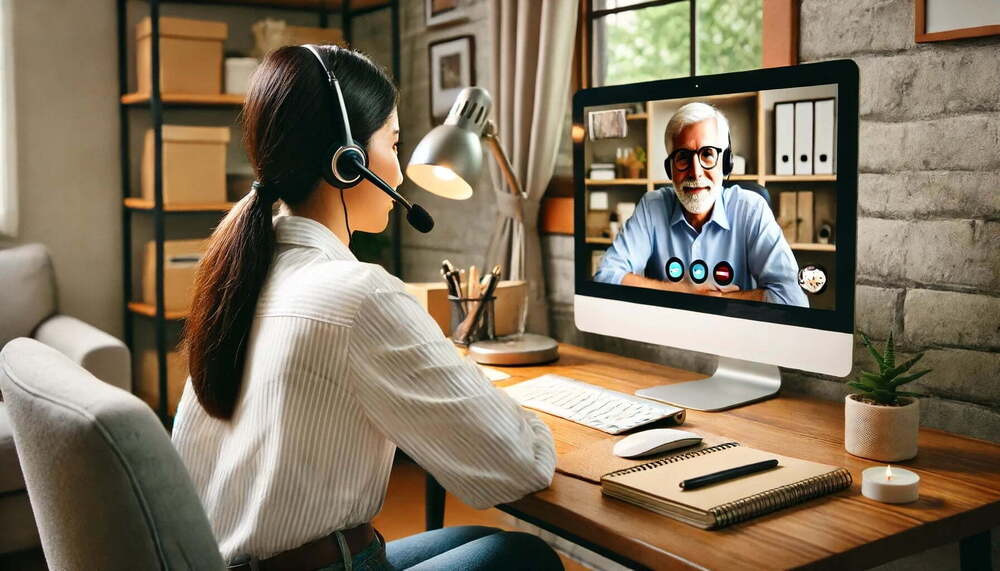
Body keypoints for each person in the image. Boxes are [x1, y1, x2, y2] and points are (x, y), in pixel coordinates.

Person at [171, 45, 561, 571]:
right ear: (348, 161)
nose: (399, 175)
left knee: (466, 538)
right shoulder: (359, 295)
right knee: (521, 556)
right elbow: (518, 465)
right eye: (394, 145)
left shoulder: (239, 274)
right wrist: (534, 417)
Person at [594, 102, 808, 307]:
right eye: (683, 157)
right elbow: (605, 278)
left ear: (725, 163)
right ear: (670, 169)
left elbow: (792, 297)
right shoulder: (652, 207)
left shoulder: (751, 209)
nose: (695, 172)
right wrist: (684, 292)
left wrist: (713, 301)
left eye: (707, 154)